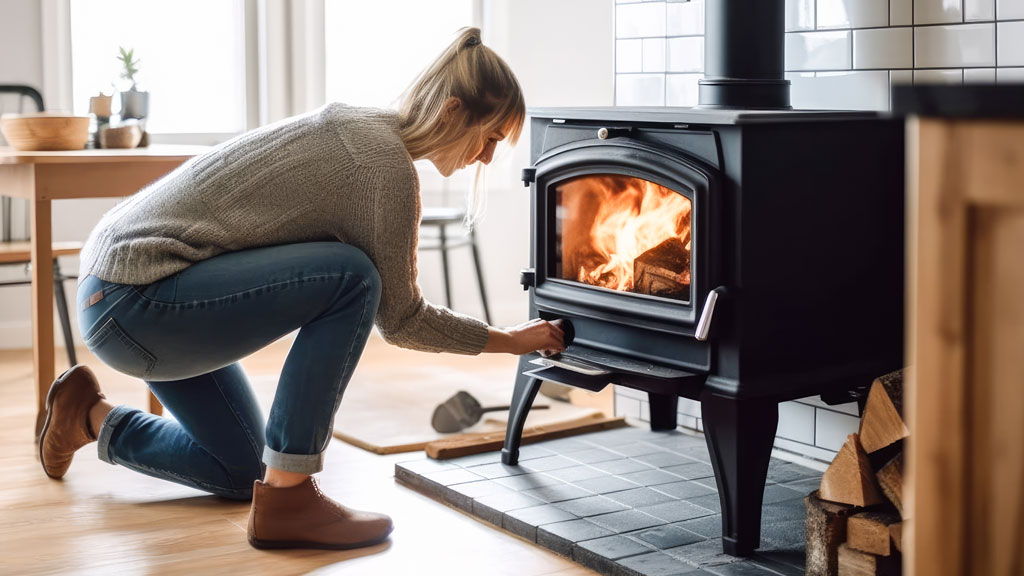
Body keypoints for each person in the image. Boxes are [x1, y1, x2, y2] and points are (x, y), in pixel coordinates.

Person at [37, 27, 565, 551]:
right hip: (140, 299)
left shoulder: (364, 133)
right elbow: (402, 320)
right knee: (353, 275)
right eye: (490, 138)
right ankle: (290, 498)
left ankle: (86, 415)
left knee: (240, 466)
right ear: (452, 112)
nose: (488, 158)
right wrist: (511, 341)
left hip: (127, 293)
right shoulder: (382, 166)